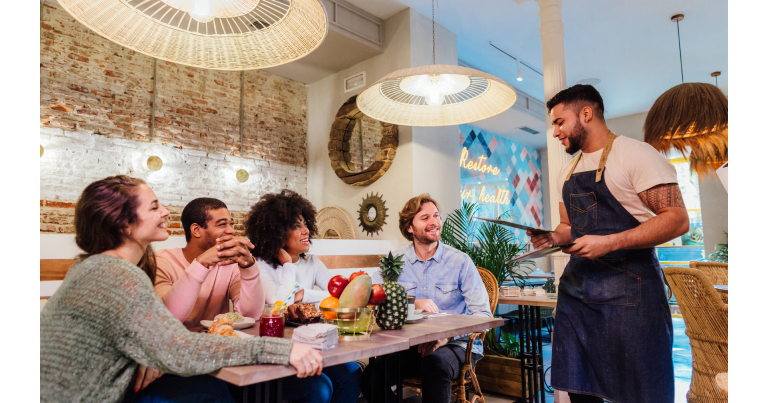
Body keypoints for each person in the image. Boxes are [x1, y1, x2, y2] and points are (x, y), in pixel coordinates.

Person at [40, 175, 323, 403]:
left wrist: (151, 353)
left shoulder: (98, 267)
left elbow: (158, 341)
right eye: (154, 207)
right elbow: (179, 347)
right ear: (123, 224)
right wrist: (279, 350)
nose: (165, 211)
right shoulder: (117, 274)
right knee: (211, 394)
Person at [528, 85, 689, 403]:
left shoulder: (635, 154)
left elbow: (676, 219)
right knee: (578, 389)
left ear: (585, 114)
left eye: (560, 122)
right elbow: (569, 227)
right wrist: (554, 237)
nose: (556, 131)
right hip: (577, 296)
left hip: (631, 295)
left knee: (641, 391)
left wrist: (611, 242)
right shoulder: (567, 171)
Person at [126, 197, 266, 398]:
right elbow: (168, 318)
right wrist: (201, 264)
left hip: (218, 358)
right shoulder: (161, 262)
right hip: (173, 365)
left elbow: (251, 313)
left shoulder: (230, 265)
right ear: (196, 230)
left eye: (231, 224)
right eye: (222, 224)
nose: (231, 231)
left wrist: (248, 267)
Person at [362, 194, 492, 403]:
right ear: (409, 227)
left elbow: (483, 316)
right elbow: (371, 294)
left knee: (435, 364)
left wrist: (445, 337)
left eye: (436, 216)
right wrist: (411, 302)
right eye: (425, 218)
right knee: (371, 375)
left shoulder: (460, 261)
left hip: (456, 346)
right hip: (412, 345)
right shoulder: (394, 262)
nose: (434, 222)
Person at [244, 189, 362, 403]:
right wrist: (288, 265)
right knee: (321, 388)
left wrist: (304, 294)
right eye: (296, 226)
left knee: (352, 374)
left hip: (313, 342)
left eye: (305, 224)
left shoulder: (312, 262)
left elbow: (341, 295)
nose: (305, 230)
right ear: (277, 232)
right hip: (279, 347)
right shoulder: (260, 265)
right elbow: (278, 306)